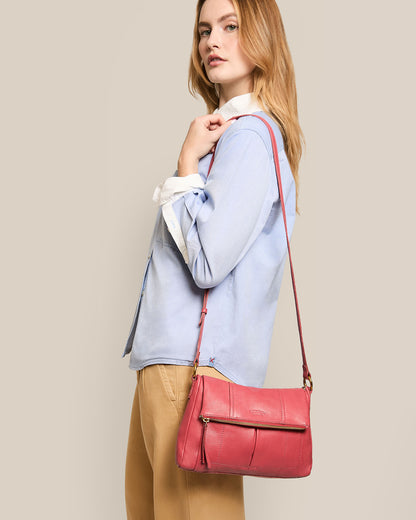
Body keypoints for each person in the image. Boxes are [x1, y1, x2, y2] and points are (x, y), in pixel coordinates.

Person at [123, 0, 305, 518]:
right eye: (204, 30)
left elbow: (207, 264)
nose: (212, 42)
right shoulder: (224, 135)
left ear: (263, 39)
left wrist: (184, 163)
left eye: (230, 27)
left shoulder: (248, 136)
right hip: (170, 364)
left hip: (190, 369)